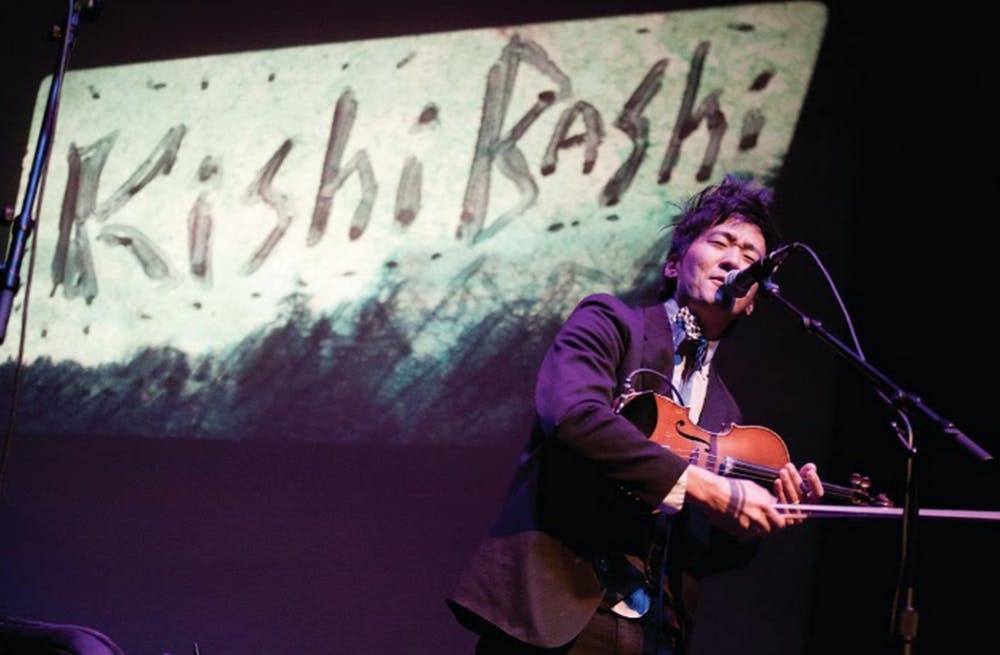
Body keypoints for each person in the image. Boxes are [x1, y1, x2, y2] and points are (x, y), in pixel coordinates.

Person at [446, 174, 825, 655]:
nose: (735, 261)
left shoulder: (726, 411)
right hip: (556, 612)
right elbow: (574, 416)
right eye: (721, 244)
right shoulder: (610, 324)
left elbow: (698, 547)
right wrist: (707, 485)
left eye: (751, 258)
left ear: (752, 302)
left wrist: (749, 522)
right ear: (673, 264)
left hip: (654, 634)